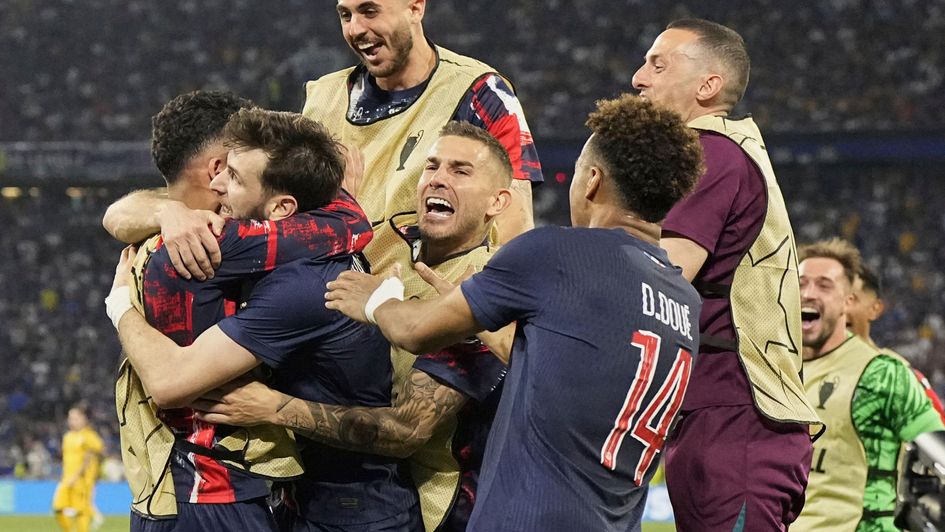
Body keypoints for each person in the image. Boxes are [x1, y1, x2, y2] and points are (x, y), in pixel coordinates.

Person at [324, 94, 704, 531]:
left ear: (593, 180)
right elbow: (570, 376)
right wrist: (479, 312)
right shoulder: (682, 297)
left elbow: (413, 331)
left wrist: (376, 299)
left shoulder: (558, 254)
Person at [106, 108, 421, 531]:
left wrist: (121, 306)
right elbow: (117, 215)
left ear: (282, 208)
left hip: (352, 512)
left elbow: (169, 384)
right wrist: (167, 211)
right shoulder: (299, 245)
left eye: (234, 177)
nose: (217, 185)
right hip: (303, 498)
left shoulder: (303, 285)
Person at [192, 121, 515, 531]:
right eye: (432, 165)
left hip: (431, 507)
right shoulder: (385, 238)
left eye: (460, 171)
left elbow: (406, 431)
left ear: (498, 201)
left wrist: (274, 407)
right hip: (324, 490)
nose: (437, 179)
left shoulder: (487, 290)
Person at [631, 18, 821, 529]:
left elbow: (662, 276)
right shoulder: (732, 149)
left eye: (657, 63)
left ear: (707, 86)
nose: (637, 78)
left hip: (734, 421)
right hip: (726, 415)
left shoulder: (708, 150)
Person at [304, 0, 543, 266]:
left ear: (416, 7)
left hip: (437, 299)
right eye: (346, 15)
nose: (355, 29)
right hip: (329, 295)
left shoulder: (480, 94)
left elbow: (515, 228)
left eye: (369, 11)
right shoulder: (322, 98)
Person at [793, 238, 945, 531]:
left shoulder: (882, 374)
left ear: (848, 301)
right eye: (800, 283)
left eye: (824, 285)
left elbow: (937, 452)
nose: (808, 293)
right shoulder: (775, 366)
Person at [847, 264, 945, 421]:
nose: (842, 308)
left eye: (852, 299)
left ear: (875, 308)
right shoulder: (799, 368)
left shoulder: (899, 377)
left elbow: (938, 428)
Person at [52, 405, 104, 532]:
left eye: (75, 418)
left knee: (82, 512)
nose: (71, 421)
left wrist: (77, 476)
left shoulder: (89, 436)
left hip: (82, 481)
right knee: (58, 508)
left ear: (84, 419)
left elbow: (94, 455)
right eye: (70, 418)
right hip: (67, 479)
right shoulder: (67, 436)